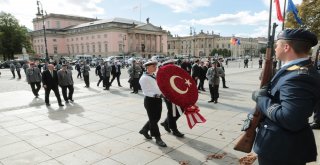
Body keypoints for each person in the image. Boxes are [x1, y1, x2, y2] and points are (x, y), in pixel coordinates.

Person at [252, 29, 320, 165]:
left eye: (277, 44)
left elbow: (290, 118)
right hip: (282, 146)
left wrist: (261, 98)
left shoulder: (299, 77)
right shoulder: (296, 70)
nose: (275, 48)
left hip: (280, 149)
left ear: (286, 47)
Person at [139, 60, 167, 147]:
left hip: (157, 100)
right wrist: (158, 96)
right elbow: (146, 92)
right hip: (150, 101)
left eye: (155, 66)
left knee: (156, 118)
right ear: (147, 67)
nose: (155, 67)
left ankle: (144, 130)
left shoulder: (153, 75)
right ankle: (158, 138)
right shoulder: (144, 78)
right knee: (153, 120)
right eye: (153, 66)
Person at [159, 59, 185, 138]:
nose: (174, 65)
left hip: (177, 95)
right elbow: (162, 86)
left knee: (180, 110)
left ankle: (166, 123)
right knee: (172, 112)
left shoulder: (175, 72)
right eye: (172, 64)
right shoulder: (162, 74)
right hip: (169, 96)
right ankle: (174, 129)